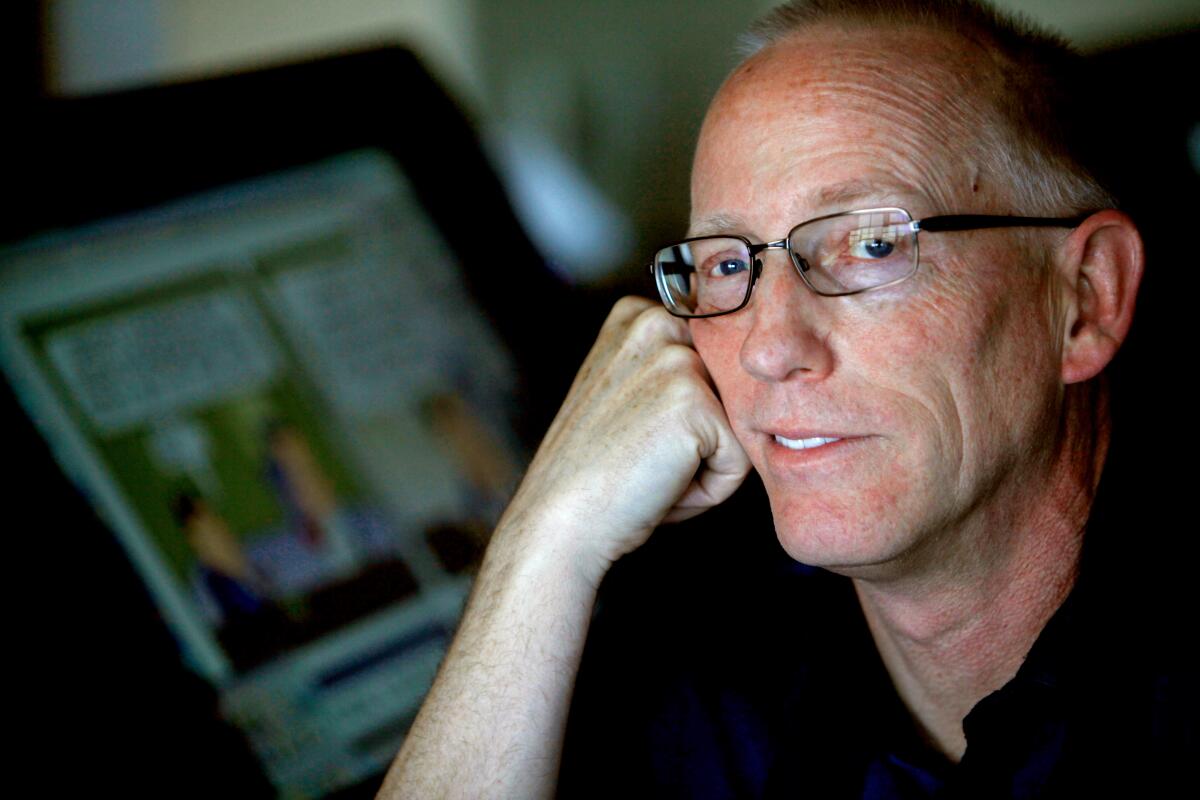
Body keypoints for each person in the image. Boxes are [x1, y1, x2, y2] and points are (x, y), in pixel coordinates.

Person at [379, 1, 1190, 796]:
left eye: (870, 244)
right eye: (728, 265)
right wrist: (544, 543)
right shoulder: (704, 659)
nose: (769, 348)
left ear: (1085, 297)